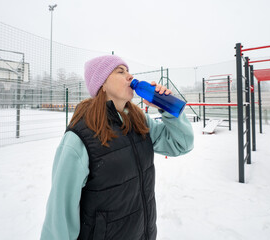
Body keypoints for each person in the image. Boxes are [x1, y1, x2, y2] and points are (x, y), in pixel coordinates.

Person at [40, 55, 194, 240]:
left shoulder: (138, 121)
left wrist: (167, 107)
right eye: (120, 71)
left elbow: (181, 144)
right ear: (102, 84)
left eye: (128, 70)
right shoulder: (80, 136)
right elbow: (60, 215)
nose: (129, 76)